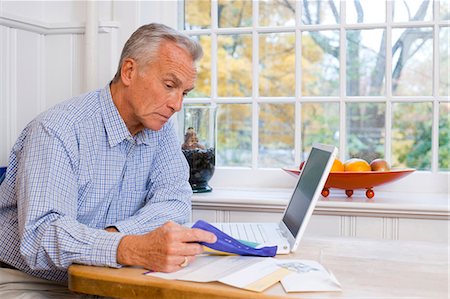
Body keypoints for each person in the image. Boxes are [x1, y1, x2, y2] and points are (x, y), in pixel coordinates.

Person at [0, 23, 217, 298]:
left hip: (111, 276)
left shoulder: (159, 129)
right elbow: (42, 237)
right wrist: (129, 246)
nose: (177, 105)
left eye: (184, 92)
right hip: (28, 279)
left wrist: (116, 237)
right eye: (169, 85)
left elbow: (175, 203)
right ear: (129, 71)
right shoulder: (56, 130)